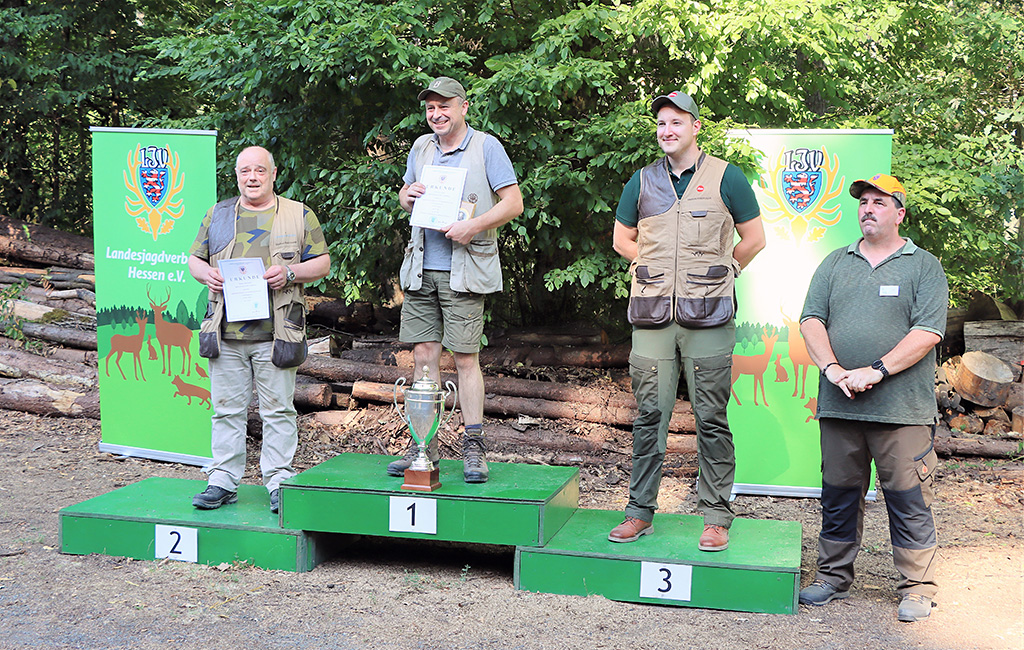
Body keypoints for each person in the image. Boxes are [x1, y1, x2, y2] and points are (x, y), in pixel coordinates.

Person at [609, 91, 765, 550]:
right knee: (649, 416)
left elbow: (754, 238)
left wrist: (725, 269)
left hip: (709, 316)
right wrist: (650, 266)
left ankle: (716, 516)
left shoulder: (727, 177)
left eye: (677, 122)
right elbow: (621, 239)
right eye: (661, 123)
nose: (667, 130)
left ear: (696, 127)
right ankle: (639, 512)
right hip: (652, 316)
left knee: (711, 417)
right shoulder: (641, 181)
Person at [798, 174, 947, 622]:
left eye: (880, 202)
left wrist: (876, 370)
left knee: (908, 497)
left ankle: (917, 587)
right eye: (864, 201)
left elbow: (928, 332)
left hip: (902, 410)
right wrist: (832, 370)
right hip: (839, 403)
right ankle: (832, 577)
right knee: (838, 495)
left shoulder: (924, 266)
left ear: (900, 214)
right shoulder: (835, 263)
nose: (868, 208)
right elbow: (811, 320)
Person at [388, 76, 523, 484]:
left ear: (463, 107)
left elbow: (514, 203)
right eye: (430, 108)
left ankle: (474, 446)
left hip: (465, 270)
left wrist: (473, 226)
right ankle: (422, 446)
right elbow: (405, 195)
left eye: (444, 106)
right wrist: (407, 196)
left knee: (465, 358)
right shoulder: (421, 147)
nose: (436, 114)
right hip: (420, 267)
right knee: (423, 356)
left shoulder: (486, 147)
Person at [188, 146, 331, 513]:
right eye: (245, 171)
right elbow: (194, 260)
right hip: (226, 332)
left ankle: (279, 480)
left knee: (279, 411)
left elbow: (323, 263)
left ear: (273, 173)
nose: (252, 177)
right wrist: (207, 275)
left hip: (277, 334)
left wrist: (291, 272)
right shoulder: (218, 214)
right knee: (225, 411)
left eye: (259, 170)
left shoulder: (299, 214)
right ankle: (222, 480)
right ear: (237, 175)